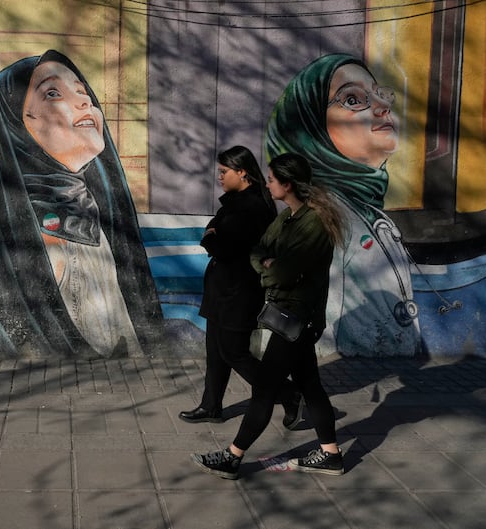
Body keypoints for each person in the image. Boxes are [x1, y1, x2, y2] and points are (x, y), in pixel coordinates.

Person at [0, 50, 164, 358]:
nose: (85, 101)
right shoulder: (14, 236)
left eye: (83, 91)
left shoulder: (97, 216)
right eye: (53, 93)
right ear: (14, 125)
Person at [191, 153, 347, 479]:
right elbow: (258, 251)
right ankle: (331, 453)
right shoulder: (289, 216)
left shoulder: (313, 223)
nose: (269, 183)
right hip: (288, 315)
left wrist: (270, 269)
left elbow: (284, 272)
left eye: (273, 179)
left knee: (263, 390)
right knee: (311, 385)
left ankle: (232, 457)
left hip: (298, 317)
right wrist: (268, 264)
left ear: (287, 184)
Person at [265, 54, 420, 356]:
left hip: (374, 362)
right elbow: (317, 298)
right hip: (344, 362)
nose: (383, 106)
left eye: (379, 93)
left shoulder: (364, 207)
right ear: (311, 131)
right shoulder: (324, 213)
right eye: (352, 99)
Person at [179, 146, 303, 429]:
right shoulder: (237, 203)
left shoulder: (251, 208)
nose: (220, 177)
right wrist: (213, 234)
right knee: (215, 351)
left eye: (224, 172)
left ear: (242, 172)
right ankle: (211, 406)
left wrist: (211, 238)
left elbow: (223, 246)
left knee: (234, 352)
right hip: (223, 290)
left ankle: (289, 394)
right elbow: (215, 229)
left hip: (240, 292)